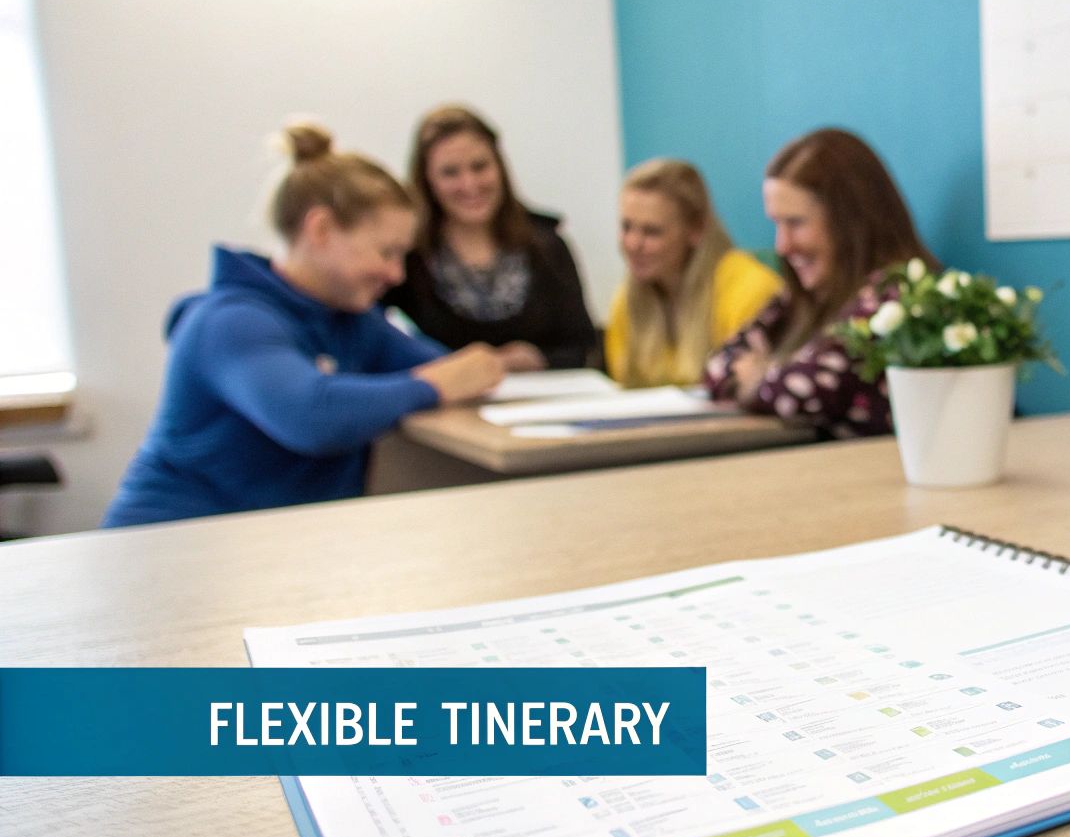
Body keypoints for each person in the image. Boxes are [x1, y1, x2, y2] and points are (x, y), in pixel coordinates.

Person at [103, 123, 505, 528]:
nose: (395, 274)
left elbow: (450, 368)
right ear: (322, 230)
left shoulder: (352, 320)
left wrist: (455, 374)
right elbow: (313, 415)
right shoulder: (228, 322)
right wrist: (434, 385)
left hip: (276, 548)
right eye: (387, 252)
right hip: (168, 549)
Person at [704, 128, 937, 438]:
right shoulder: (799, 299)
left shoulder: (898, 296)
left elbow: (805, 390)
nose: (782, 246)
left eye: (796, 223)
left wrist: (764, 372)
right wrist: (773, 376)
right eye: (777, 223)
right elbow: (718, 367)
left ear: (851, 220)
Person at [384, 105, 595, 370]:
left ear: (500, 168)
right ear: (427, 180)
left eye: (480, 167)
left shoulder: (547, 246)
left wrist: (539, 360)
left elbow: (586, 348)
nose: (469, 184)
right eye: (450, 172)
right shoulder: (406, 257)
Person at [605, 159, 782, 387]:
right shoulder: (627, 300)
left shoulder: (751, 289)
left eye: (652, 232)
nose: (633, 243)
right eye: (626, 227)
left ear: (696, 229)